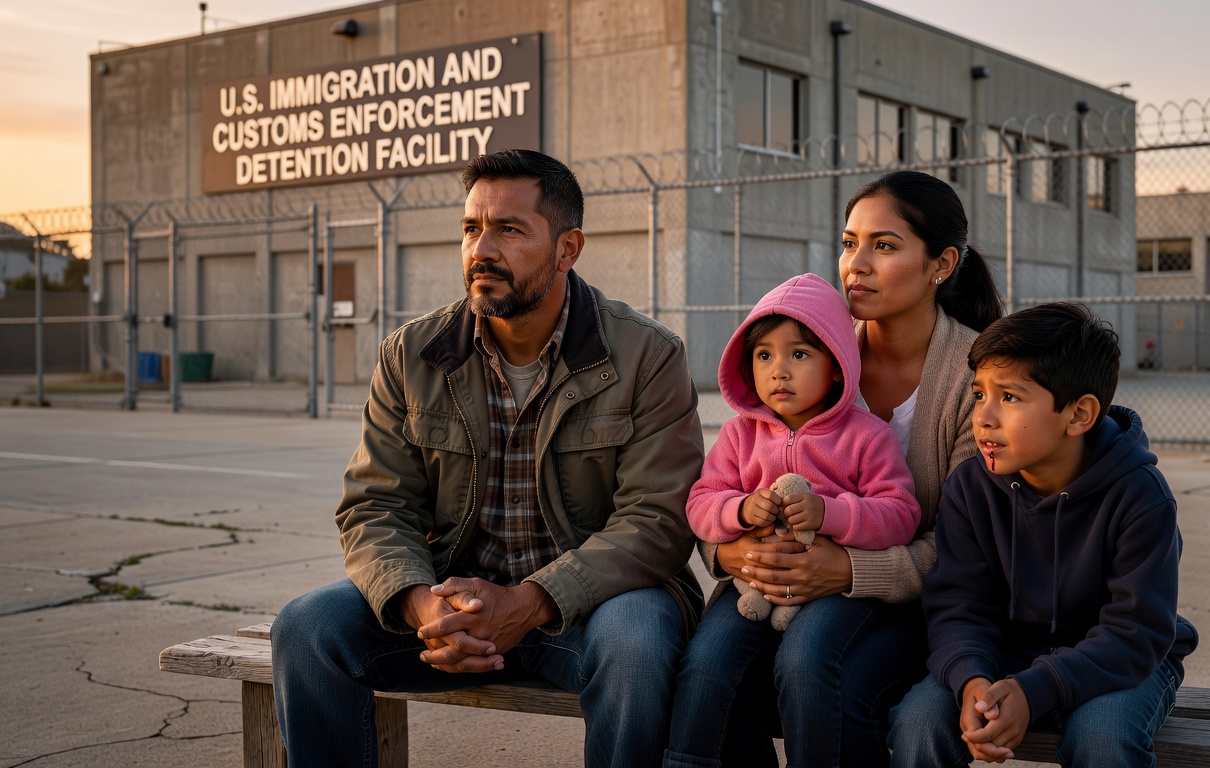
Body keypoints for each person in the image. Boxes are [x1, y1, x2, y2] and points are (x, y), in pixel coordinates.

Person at [269, 149, 705, 768]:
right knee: (308, 629)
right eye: (472, 228)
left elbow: (657, 521)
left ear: (567, 249)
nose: (482, 249)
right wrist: (421, 603)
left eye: (509, 229)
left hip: (587, 608)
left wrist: (530, 602)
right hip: (454, 605)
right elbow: (375, 503)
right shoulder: (414, 353)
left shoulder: (646, 356)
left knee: (637, 641)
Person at [697, 170, 1005, 765]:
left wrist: (846, 571)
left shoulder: (978, 379)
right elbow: (733, 478)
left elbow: (970, 547)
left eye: (883, 246)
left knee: (814, 666)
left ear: (940, 264)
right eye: (848, 243)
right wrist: (729, 554)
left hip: (926, 603)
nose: (855, 265)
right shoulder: (814, 353)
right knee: (714, 675)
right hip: (780, 589)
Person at [888, 302, 1200, 767]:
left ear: (1078, 415)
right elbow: (958, 606)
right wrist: (973, 680)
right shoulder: (972, 487)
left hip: (1121, 663)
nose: (984, 417)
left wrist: (1035, 690)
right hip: (1004, 655)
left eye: (1010, 397)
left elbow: (1135, 632)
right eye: (979, 394)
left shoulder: (1140, 496)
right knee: (918, 720)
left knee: (1102, 737)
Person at [667, 273, 921, 767]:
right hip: (752, 586)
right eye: (764, 355)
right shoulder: (742, 434)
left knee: (805, 662)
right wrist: (738, 509)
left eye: (799, 355)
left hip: (837, 592)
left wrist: (833, 511)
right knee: (707, 662)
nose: (779, 371)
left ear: (836, 366)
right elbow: (701, 501)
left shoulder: (867, 436)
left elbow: (901, 513)